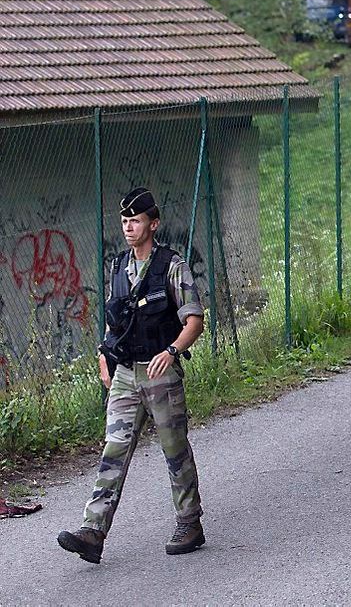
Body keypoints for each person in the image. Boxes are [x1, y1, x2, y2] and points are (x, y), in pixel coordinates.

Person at [57, 187, 206, 564]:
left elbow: (194, 320)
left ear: (152, 224)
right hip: (124, 373)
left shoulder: (172, 266)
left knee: (174, 449)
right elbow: (113, 322)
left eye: (135, 221)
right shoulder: (117, 267)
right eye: (124, 221)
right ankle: (93, 530)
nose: (128, 227)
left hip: (159, 373)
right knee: (114, 449)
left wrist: (171, 351)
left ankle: (190, 522)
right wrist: (103, 356)